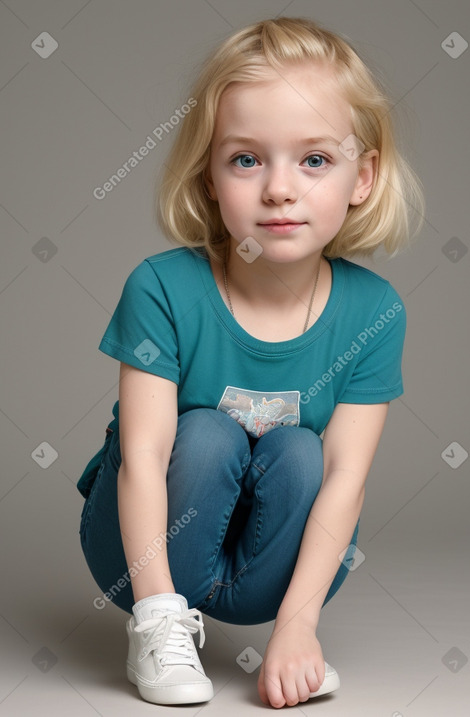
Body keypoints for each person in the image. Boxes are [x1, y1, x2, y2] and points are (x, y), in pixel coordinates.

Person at [77, 15, 424, 710]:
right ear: (209, 177)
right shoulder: (162, 288)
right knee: (205, 432)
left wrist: (297, 624)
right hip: (142, 553)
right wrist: (155, 611)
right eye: (246, 159)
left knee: (302, 450)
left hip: (271, 568)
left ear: (363, 176)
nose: (279, 189)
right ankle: (165, 626)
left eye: (315, 160)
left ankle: (283, 629)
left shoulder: (374, 311)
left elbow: (347, 476)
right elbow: (144, 457)